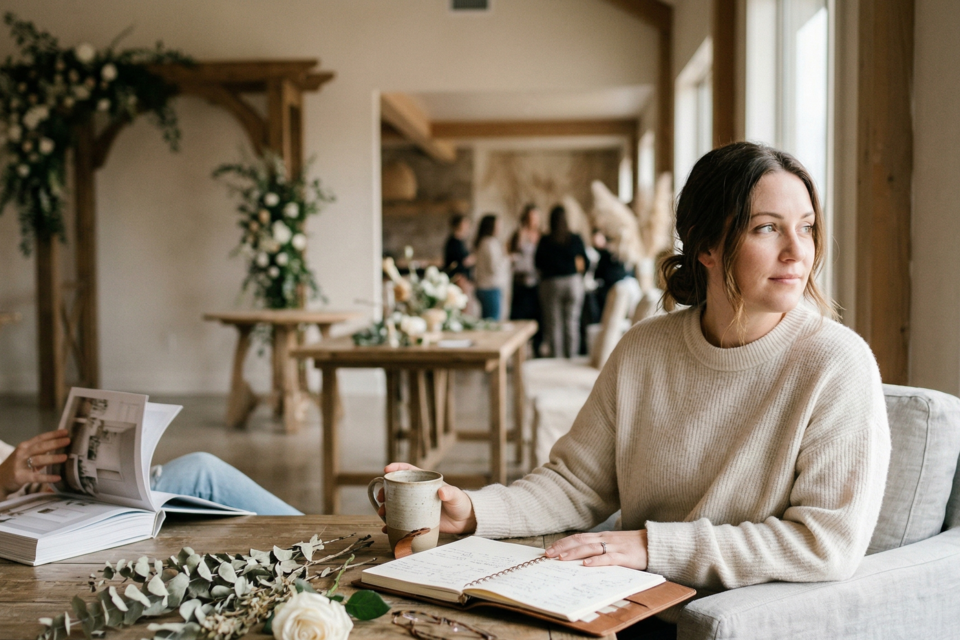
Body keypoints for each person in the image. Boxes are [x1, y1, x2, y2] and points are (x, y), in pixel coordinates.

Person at [379, 142, 891, 638]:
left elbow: (825, 543)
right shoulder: (646, 347)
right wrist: (473, 511)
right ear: (706, 245)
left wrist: (652, 547)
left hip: (738, 624)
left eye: (806, 227)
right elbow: (576, 484)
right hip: (619, 608)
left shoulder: (837, 365)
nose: (798, 250)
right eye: (767, 228)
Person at [0, 432, 302, 515]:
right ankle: (323, 541)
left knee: (199, 470)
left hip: (51, 500)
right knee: (202, 472)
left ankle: (324, 543)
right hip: (32, 520)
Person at [535, 205, 588, 357]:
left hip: (551, 284)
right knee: (572, 322)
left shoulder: (545, 240)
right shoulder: (575, 238)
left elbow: (537, 263)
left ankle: (556, 358)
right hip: (573, 282)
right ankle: (571, 357)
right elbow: (585, 262)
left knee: (554, 324)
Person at [509, 204, 543, 355]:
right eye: (530, 217)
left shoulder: (541, 235)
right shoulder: (518, 233)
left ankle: (536, 348)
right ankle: (518, 350)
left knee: (537, 316)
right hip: (520, 281)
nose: (532, 220)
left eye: (535, 217)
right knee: (519, 316)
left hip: (536, 282)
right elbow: (510, 253)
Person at [473, 213, 509, 320]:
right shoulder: (489, 243)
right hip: (490, 288)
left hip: (484, 286)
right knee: (492, 322)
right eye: (498, 225)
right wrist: (507, 258)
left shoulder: (483, 242)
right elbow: (494, 267)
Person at [442, 214, 475, 287]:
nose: (467, 226)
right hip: (458, 279)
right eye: (465, 223)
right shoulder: (453, 242)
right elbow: (459, 262)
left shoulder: (460, 241)